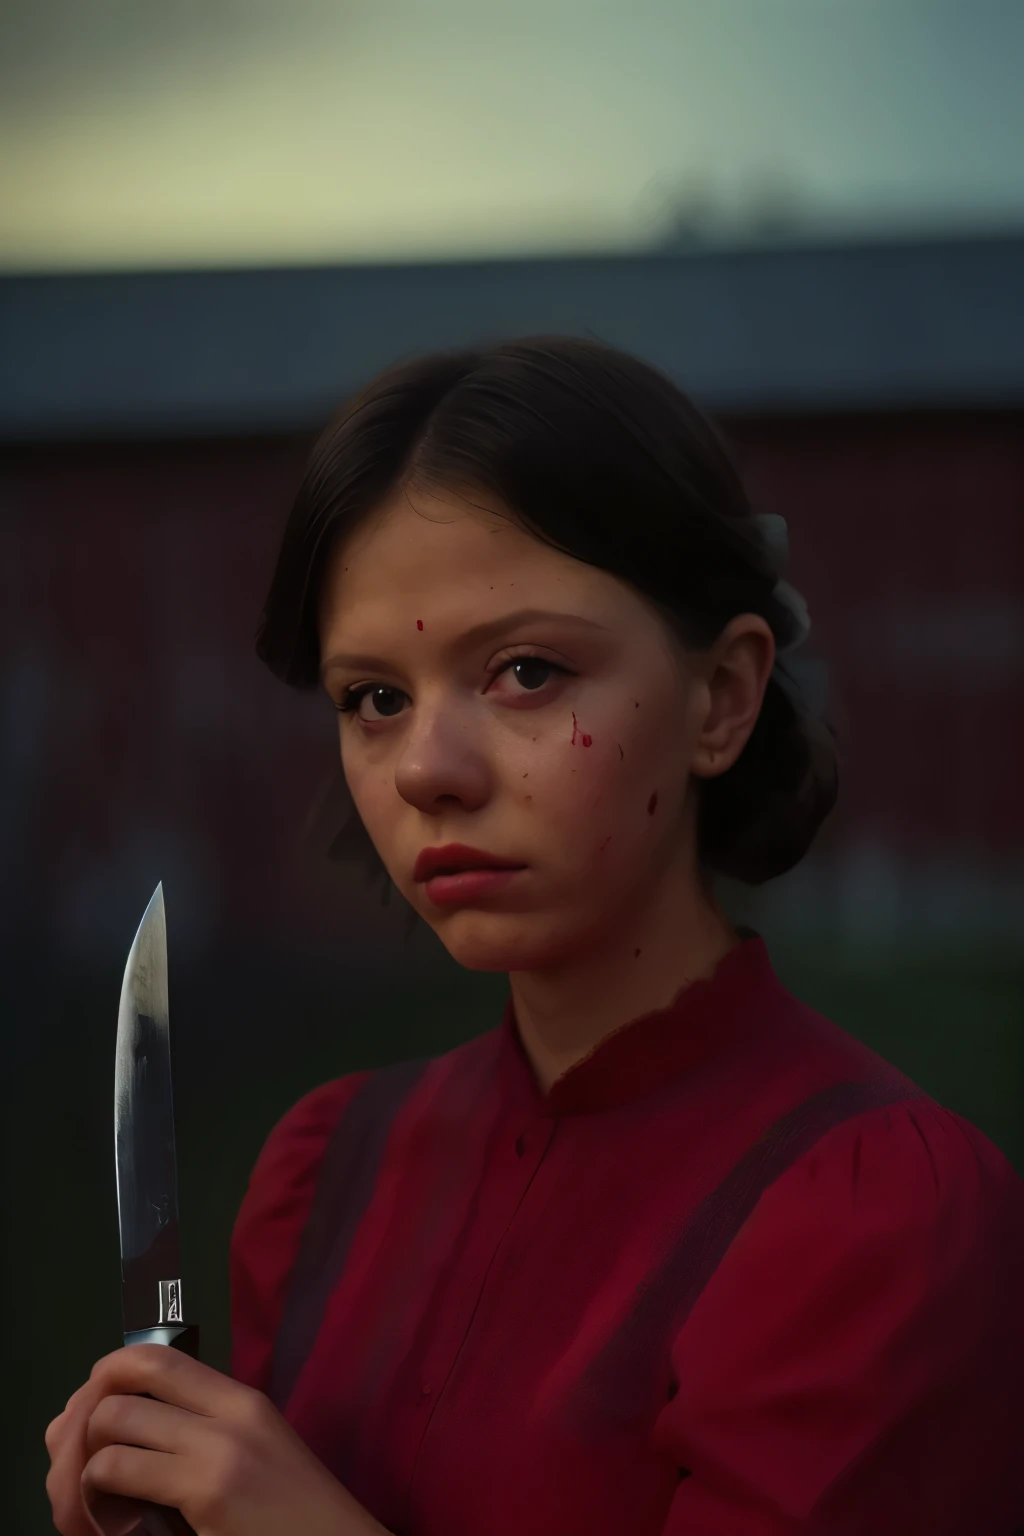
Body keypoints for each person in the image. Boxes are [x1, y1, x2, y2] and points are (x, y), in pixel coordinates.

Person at [46, 336, 1024, 1535]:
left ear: (720, 697)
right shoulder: (325, 1174)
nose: (426, 770)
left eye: (522, 671)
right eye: (374, 698)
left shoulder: (878, 1217)